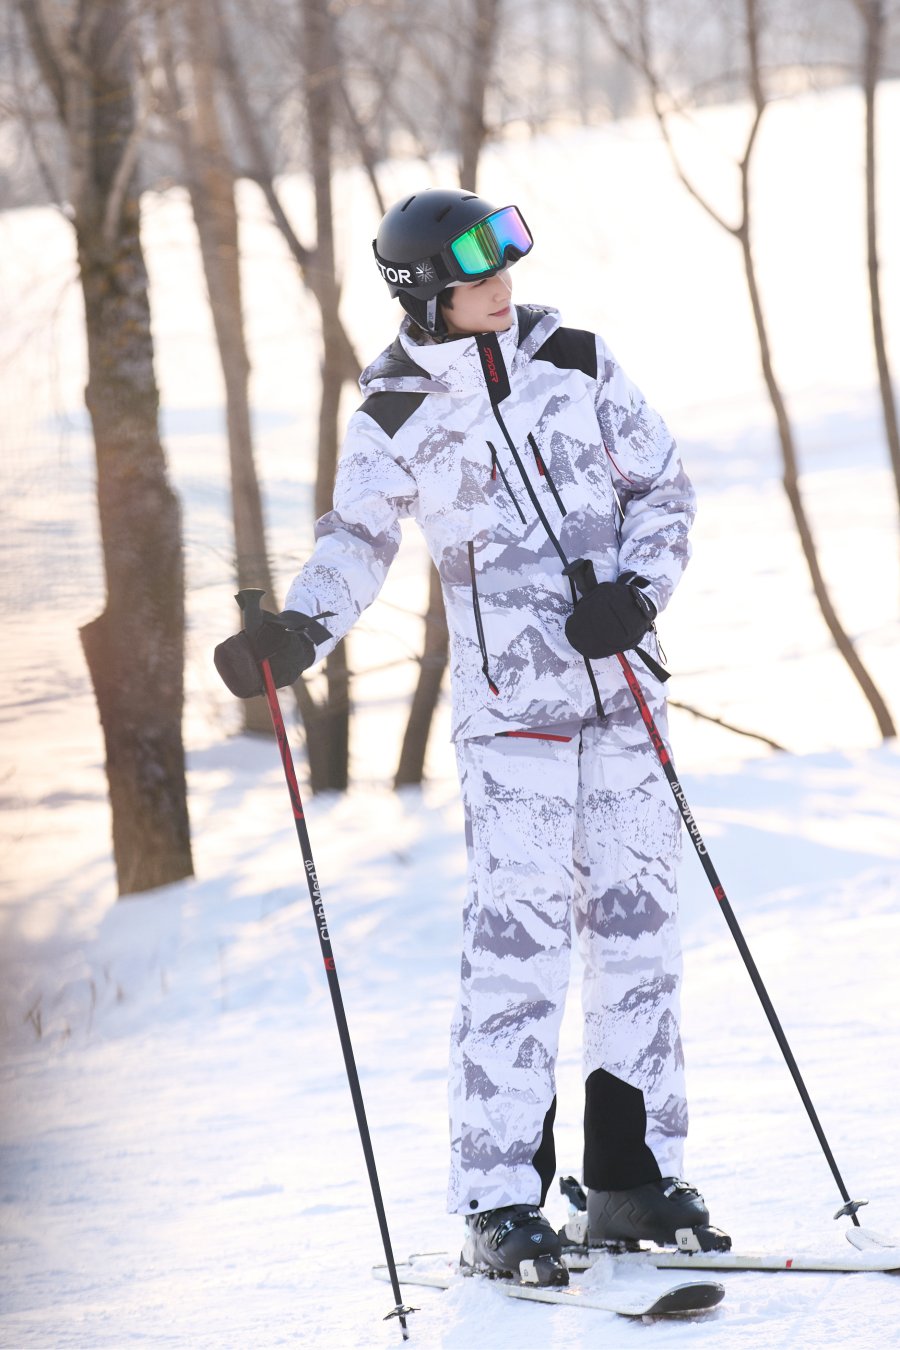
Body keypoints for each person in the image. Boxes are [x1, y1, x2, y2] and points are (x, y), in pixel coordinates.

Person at [215, 187, 729, 1287]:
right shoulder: (397, 412)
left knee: (639, 940)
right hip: (512, 723)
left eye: (506, 265)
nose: (503, 285)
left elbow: (665, 490)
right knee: (518, 955)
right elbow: (356, 539)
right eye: (478, 274)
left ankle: (632, 1176)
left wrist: (638, 594)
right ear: (426, 295)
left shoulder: (579, 360)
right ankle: (498, 1202)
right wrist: (300, 628)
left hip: (624, 698)